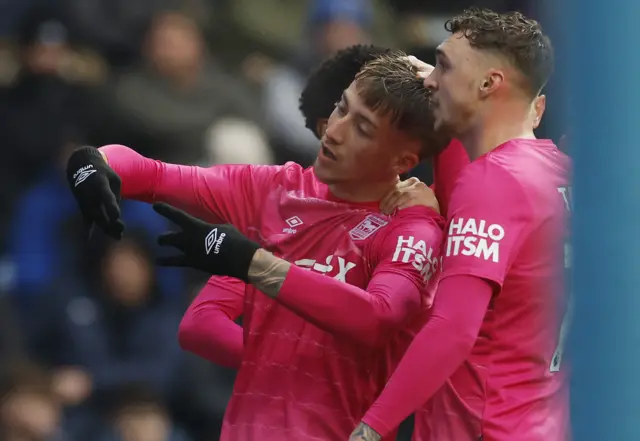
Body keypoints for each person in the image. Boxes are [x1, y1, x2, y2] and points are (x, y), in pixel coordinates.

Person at [65, 51, 451, 440]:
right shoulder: (276, 189)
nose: (333, 131)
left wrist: (253, 263)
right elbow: (150, 173)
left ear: (402, 160)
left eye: (363, 128)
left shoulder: (411, 232)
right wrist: (91, 164)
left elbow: (378, 317)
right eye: (341, 108)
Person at [349, 7, 570, 441]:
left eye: (444, 66)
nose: (430, 80)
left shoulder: (495, 183)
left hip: (485, 428)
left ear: (489, 84)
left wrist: (370, 428)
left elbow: (454, 328)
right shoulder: (556, 171)